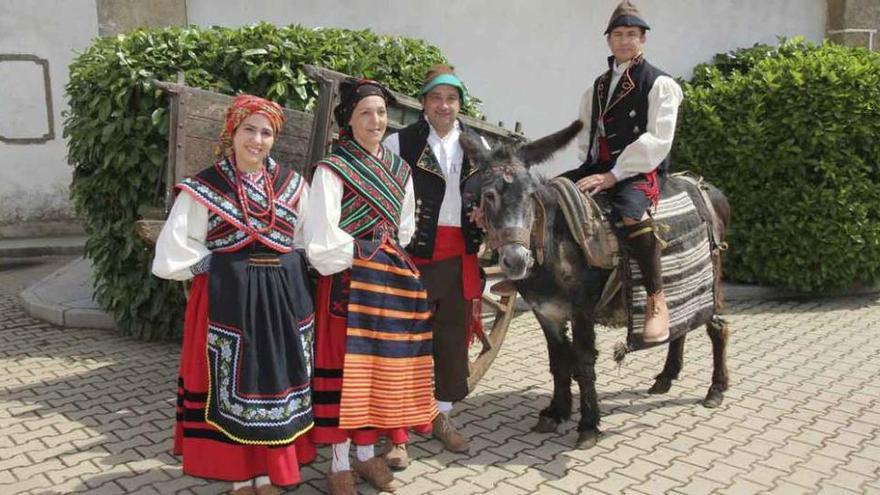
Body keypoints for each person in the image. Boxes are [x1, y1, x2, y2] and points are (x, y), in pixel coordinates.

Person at [152, 94, 316, 495]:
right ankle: (241, 476)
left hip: (280, 302)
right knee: (231, 384)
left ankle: (269, 472)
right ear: (233, 132)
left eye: (266, 133)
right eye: (249, 130)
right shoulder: (205, 188)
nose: (257, 140)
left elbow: (305, 239)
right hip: (227, 302)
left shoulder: (293, 186)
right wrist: (215, 266)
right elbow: (176, 246)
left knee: (275, 381)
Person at [302, 78, 438, 495]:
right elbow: (320, 239)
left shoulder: (400, 170)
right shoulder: (332, 169)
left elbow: (406, 229)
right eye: (365, 113)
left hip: (386, 288)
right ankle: (340, 463)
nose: (375, 120)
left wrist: (385, 256)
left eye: (380, 112)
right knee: (345, 376)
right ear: (349, 119)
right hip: (345, 287)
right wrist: (365, 252)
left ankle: (366, 456)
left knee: (377, 372)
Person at [383, 64, 490, 466]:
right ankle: (398, 434)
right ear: (423, 103)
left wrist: (484, 214)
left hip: (460, 253)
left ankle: (441, 417)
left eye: (451, 98)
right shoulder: (399, 143)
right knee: (406, 341)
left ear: (459, 104)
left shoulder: (479, 146)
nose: (444, 106)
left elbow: (493, 195)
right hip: (415, 254)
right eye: (436, 98)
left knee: (449, 339)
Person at [561, 0, 683, 343]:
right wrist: (590, 169)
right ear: (609, 40)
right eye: (618, 34)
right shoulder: (596, 87)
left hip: (639, 171)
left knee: (631, 214)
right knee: (553, 193)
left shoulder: (660, 84)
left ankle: (656, 298)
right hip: (600, 167)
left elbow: (658, 139)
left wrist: (615, 174)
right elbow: (588, 133)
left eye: (631, 34)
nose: (625, 40)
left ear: (642, 39)